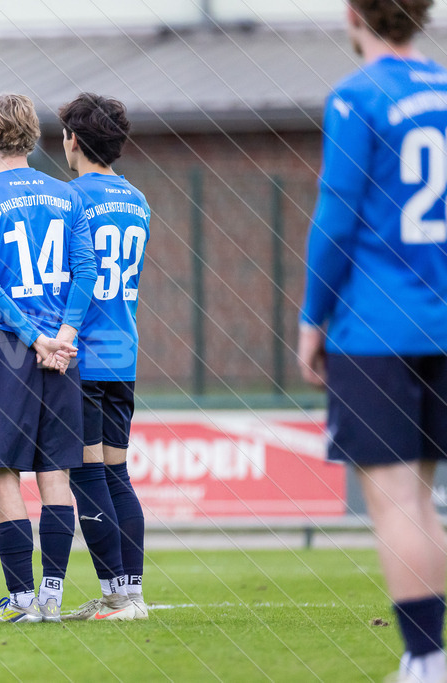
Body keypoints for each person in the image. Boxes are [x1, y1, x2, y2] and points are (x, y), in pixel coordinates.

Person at [296, 1, 447, 680]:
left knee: (396, 503)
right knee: (423, 498)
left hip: (377, 329)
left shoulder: (357, 96)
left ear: (354, 15)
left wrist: (311, 317)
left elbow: (336, 214)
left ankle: (423, 658)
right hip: (440, 322)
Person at [0, 93, 96, 623]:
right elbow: (86, 272)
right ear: (33, 138)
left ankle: (20, 600)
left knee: (0, 472)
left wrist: (33, 337)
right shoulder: (68, 196)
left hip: (6, 349)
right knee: (56, 472)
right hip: (62, 350)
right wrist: (62, 334)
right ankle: (53, 599)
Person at [56, 93, 149, 623]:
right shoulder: (137, 199)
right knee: (117, 472)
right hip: (124, 348)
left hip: (83, 349)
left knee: (87, 473)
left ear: (74, 139)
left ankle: (119, 596)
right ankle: (131, 592)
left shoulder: (71, 199)